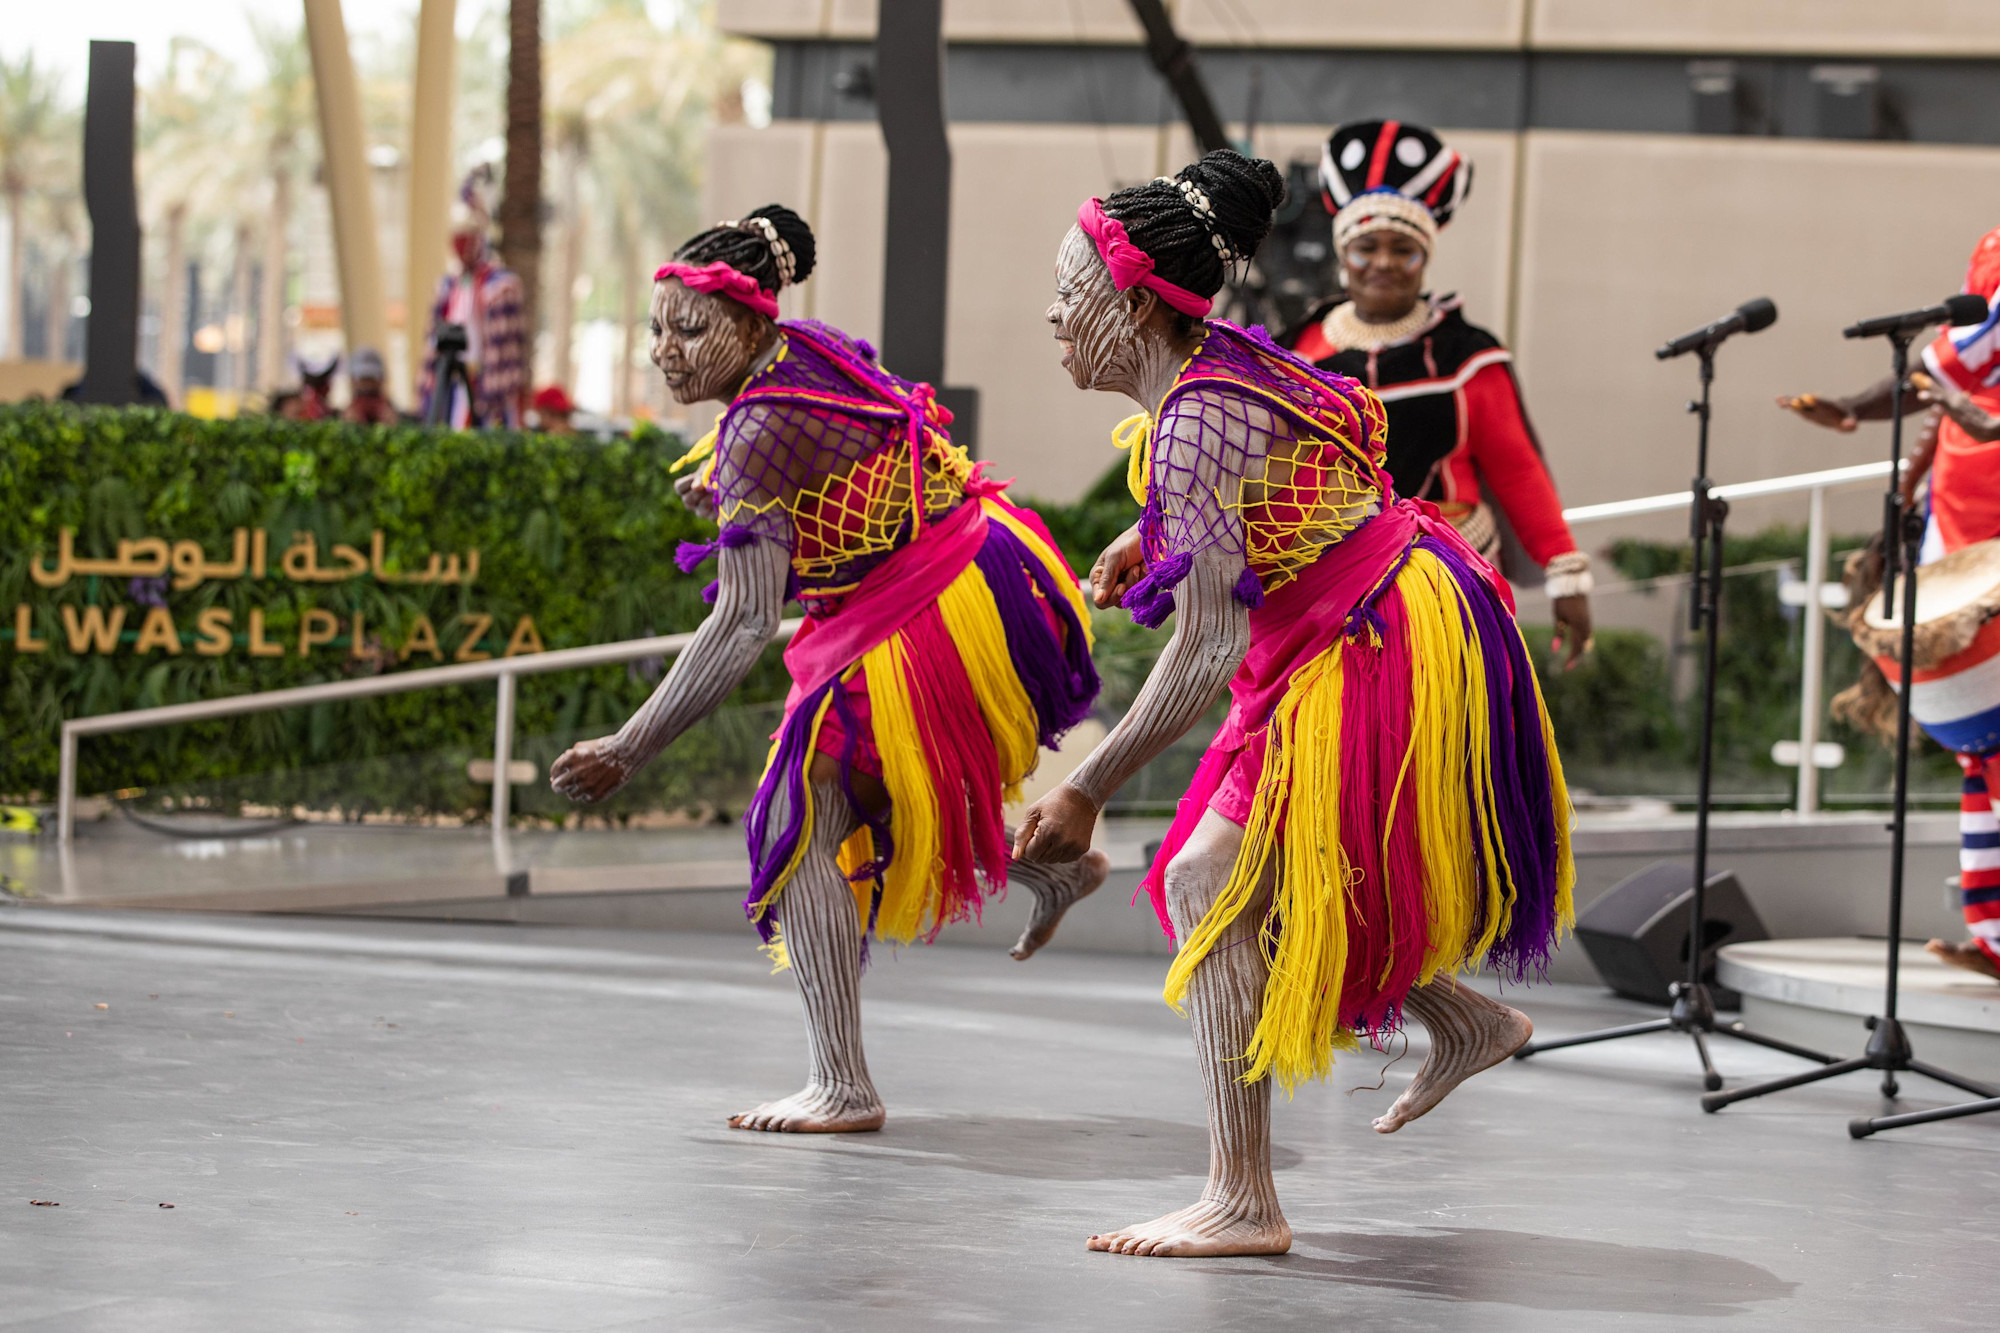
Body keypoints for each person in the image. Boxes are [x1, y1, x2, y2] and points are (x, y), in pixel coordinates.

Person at [1016, 150, 1574, 1257]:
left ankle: (1242, 1199)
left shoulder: (1189, 419)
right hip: (1359, 612)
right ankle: (1463, 1020)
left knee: (1202, 877)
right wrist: (1157, 529)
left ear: (1130, 305)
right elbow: (1295, 462)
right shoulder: (1215, 369)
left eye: (1068, 288)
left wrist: (1083, 785)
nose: (1050, 310)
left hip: (1368, 634)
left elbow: (1205, 642)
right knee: (1258, 879)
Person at [549, 205, 1108, 1133]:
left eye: (689, 329)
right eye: (656, 329)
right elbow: (836, 448)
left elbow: (738, 626)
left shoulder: (754, 427)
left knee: (798, 806)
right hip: (985, 572)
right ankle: (1048, 869)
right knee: (876, 793)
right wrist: (727, 479)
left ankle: (842, 1084)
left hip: (926, 610)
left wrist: (628, 745)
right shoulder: (804, 352)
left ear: (752, 323)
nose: (665, 351)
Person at [1282, 120, 1594, 669]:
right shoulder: (1296, 353)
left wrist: (1564, 571)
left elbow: (1517, 470)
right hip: (1331, 582)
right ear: (1342, 255)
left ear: (1424, 258)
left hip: (1452, 573)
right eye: (1365, 249)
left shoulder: (1466, 357)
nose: (1382, 263)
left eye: (1402, 250)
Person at [1781, 225, 2000, 981]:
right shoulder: (1992, 258)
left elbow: (1948, 373)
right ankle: (1996, 932)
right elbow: (1944, 372)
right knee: (1983, 757)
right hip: (1965, 532)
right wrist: (1850, 412)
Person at [418, 167, 526, 429]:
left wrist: (491, 392)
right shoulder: (447, 286)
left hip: (487, 387)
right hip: (452, 385)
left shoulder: (501, 286)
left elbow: (507, 351)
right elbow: (433, 338)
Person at [343, 346, 400, 425]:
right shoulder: (343, 418)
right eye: (363, 380)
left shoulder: (399, 417)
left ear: (381, 380)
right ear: (353, 381)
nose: (368, 386)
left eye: (372, 380)